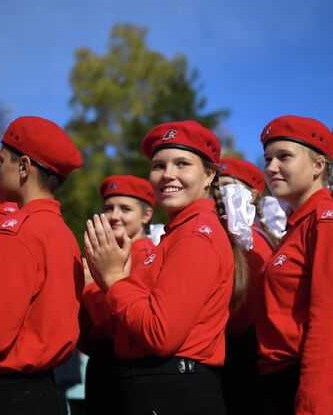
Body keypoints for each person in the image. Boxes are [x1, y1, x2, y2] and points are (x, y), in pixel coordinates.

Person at [83, 120, 248, 414]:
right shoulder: (178, 234)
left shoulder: (196, 235)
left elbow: (160, 333)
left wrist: (112, 277)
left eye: (182, 163)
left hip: (174, 391)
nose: (167, 175)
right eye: (158, 166)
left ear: (209, 174)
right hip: (158, 387)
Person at [0, 116, 84, 415]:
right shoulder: (63, 233)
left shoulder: (19, 229)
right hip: (44, 389)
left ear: (24, 167)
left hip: (8, 394)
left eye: (2, 161)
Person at [256, 115, 333, 415]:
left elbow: (332, 329)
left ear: (319, 166)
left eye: (284, 157)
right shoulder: (300, 226)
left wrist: (312, 408)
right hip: (284, 383)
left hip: (314, 388)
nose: (270, 167)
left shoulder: (327, 224)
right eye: (267, 159)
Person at [79, 175, 155, 415]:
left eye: (125, 209)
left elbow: (119, 324)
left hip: (127, 367)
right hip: (102, 365)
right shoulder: (100, 252)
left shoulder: (146, 254)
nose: (114, 216)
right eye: (109, 208)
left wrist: (90, 287)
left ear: (146, 215)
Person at [217, 157, 275, 414]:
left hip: (244, 354)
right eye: (217, 187)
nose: (221, 193)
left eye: (229, 185)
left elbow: (241, 317)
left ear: (251, 195)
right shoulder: (226, 236)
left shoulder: (252, 242)